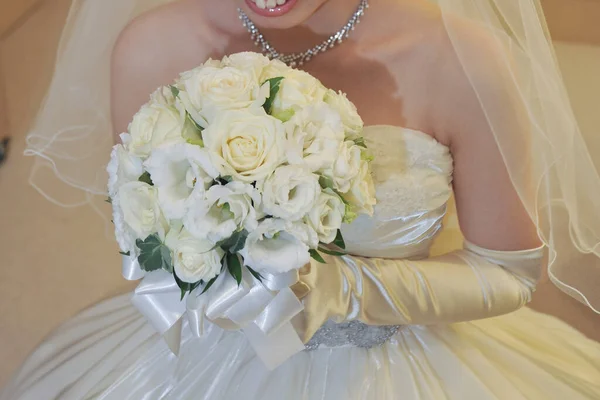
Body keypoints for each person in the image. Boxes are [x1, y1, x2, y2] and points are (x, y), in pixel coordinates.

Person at [2, 0, 600, 398]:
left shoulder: (460, 59)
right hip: (212, 357)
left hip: (400, 357)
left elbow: (510, 272)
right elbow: (148, 243)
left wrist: (345, 289)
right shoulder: (152, 47)